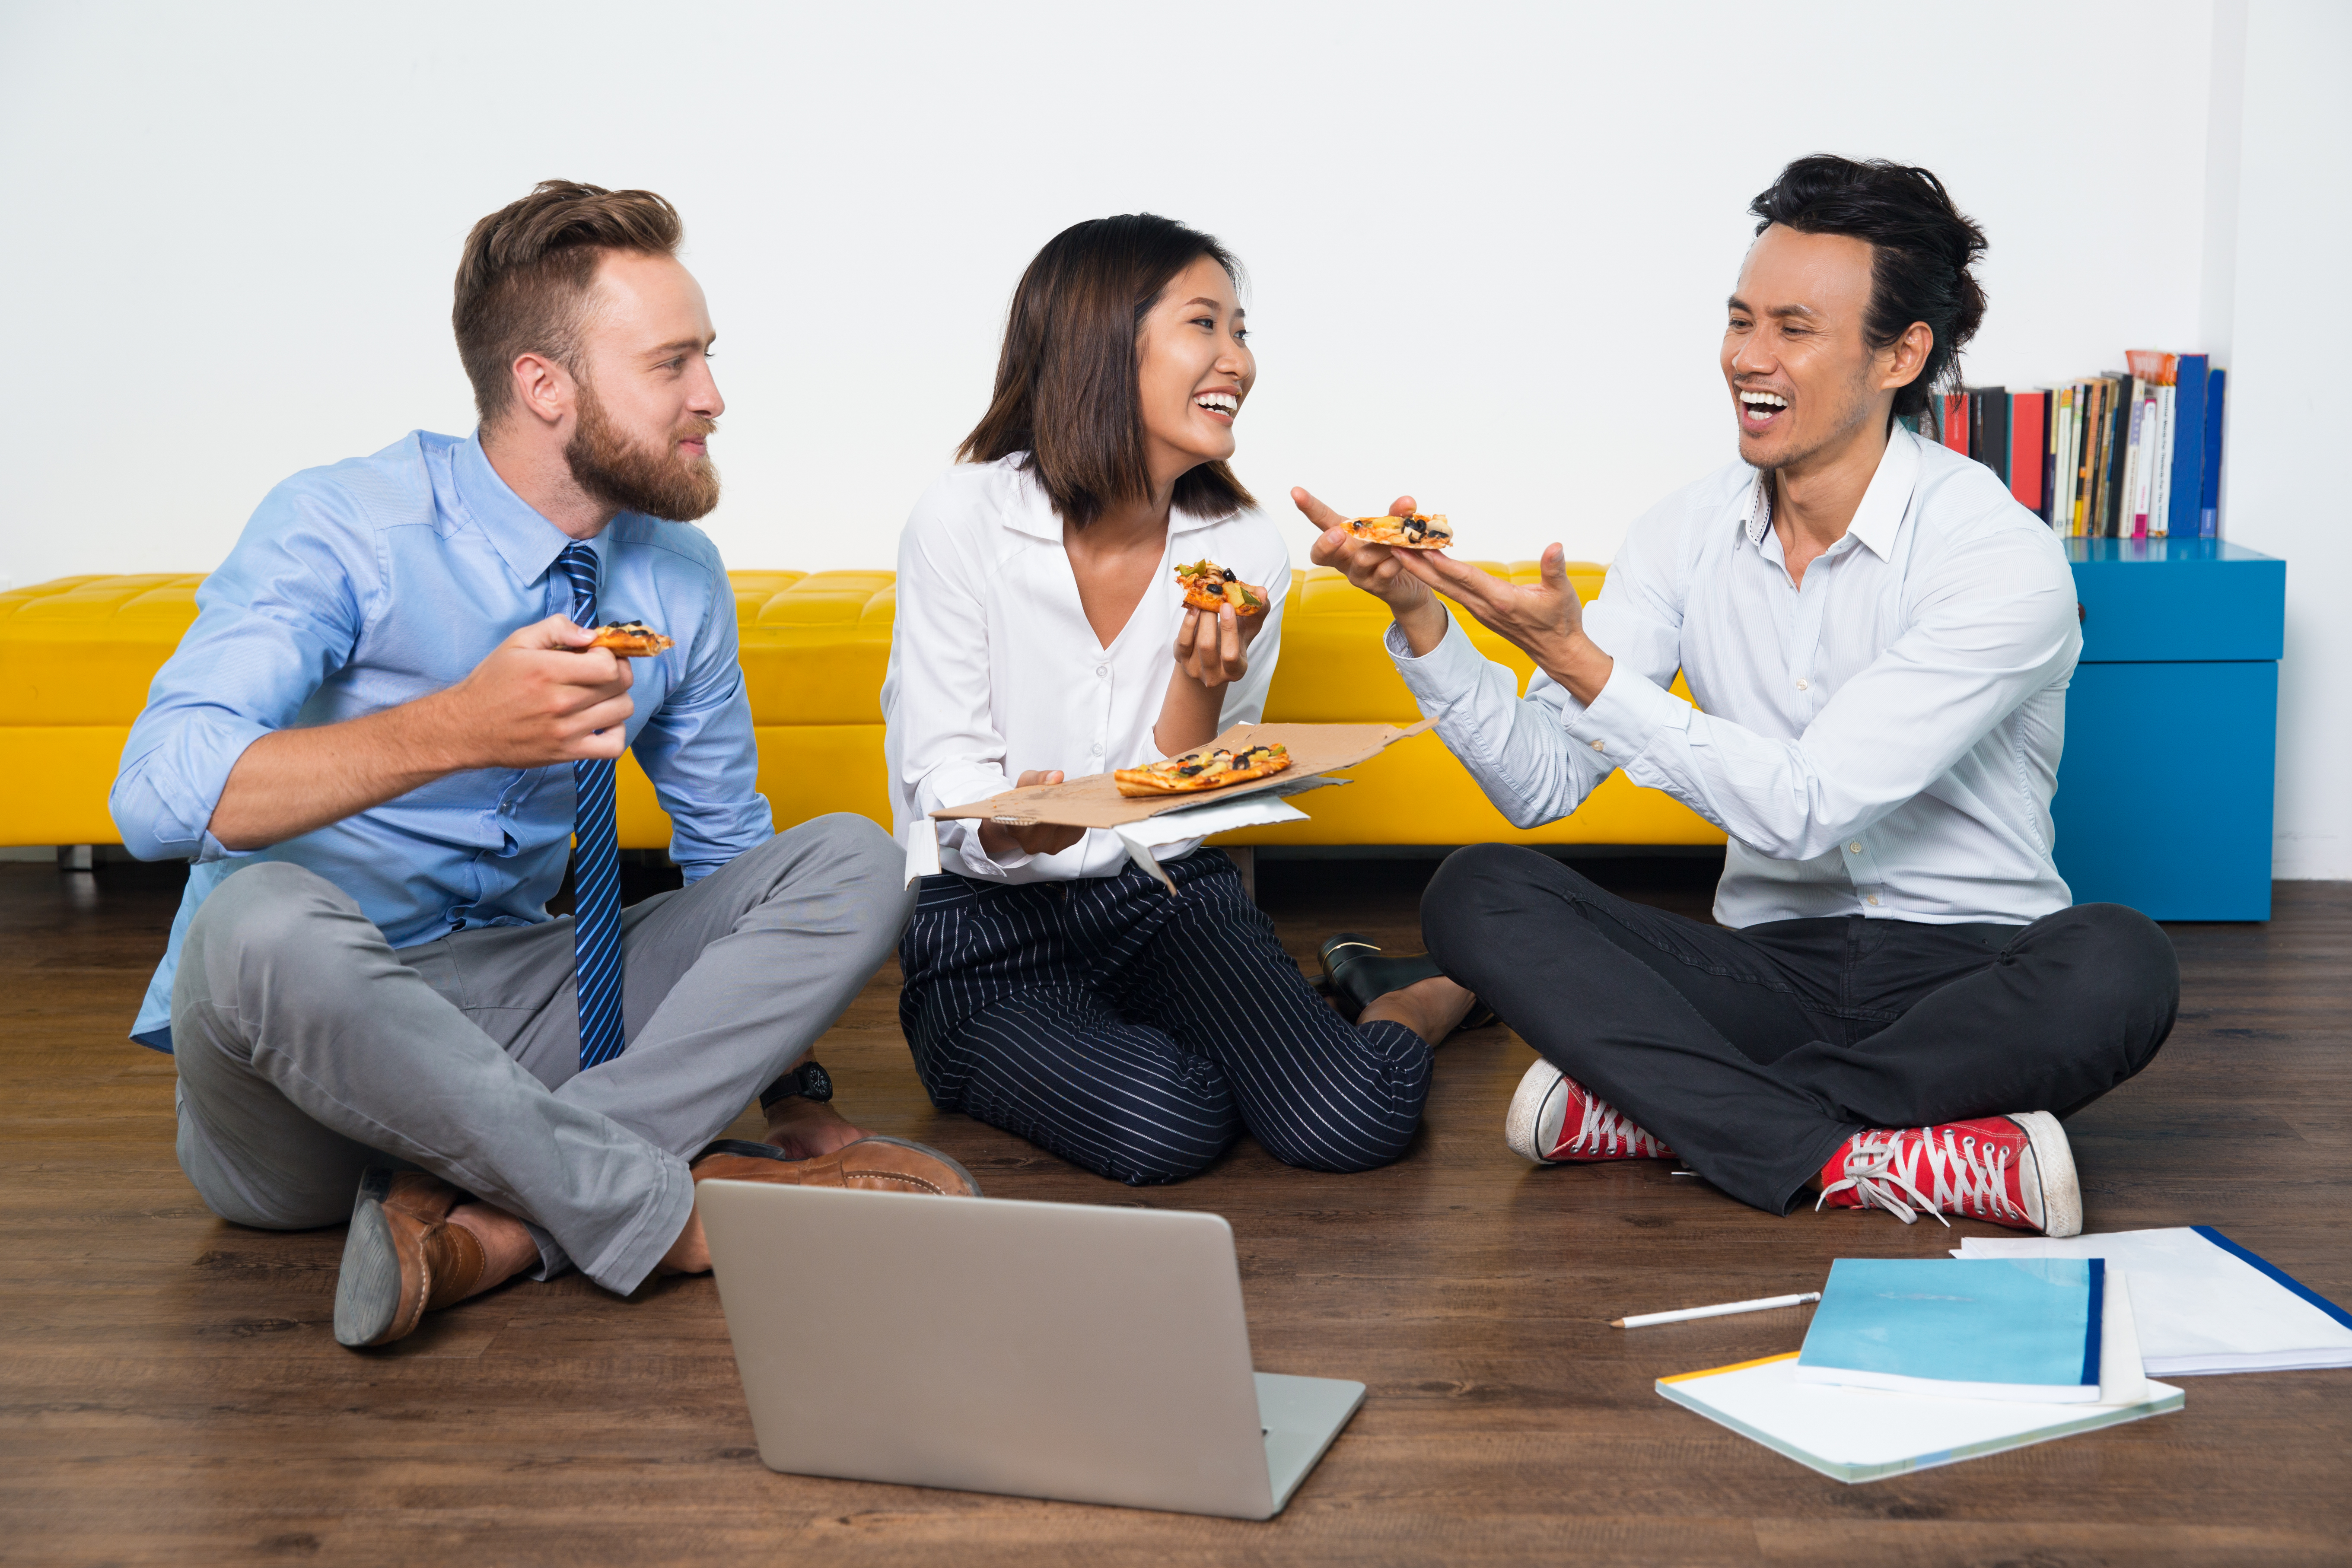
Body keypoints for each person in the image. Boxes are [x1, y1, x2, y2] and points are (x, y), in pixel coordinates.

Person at [112, 181, 976, 1351]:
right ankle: (654, 1209)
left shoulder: (677, 575)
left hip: (506, 1009)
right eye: (672, 364)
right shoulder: (344, 525)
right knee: (257, 919)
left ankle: (496, 1224)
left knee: (849, 860)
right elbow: (156, 796)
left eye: (706, 358)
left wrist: (794, 1095)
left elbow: (727, 852)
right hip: (296, 1061)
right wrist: (461, 726)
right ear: (543, 384)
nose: (712, 398)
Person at [1299, 155, 2179, 1237]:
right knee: (1475, 892)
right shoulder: (1680, 533)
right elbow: (1538, 789)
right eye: (1739, 320)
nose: (1748, 360)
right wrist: (1421, 621)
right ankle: (1894, 1149)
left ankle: (1666, 1115)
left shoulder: (1997, 557)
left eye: (1794, 329)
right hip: (1767, 971)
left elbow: (1807, 807)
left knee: (2122, 963)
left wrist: (1582, 665)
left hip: (1971, 970)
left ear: (1901, 354)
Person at [882, 213, 1476, 1186]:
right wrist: (1014, 830)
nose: (1236, 360)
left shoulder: (1242, 549)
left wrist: (1202, 689)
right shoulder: (963, 519)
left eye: (1242, 332)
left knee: (1351, 1119)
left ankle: (1407, 997)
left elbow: (1192, 792)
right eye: (1205, 325)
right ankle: (1167, 1045)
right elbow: (943, 774)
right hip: (985, 926)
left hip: (1158, 901)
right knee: (1170, 1122)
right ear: (1101, 341)